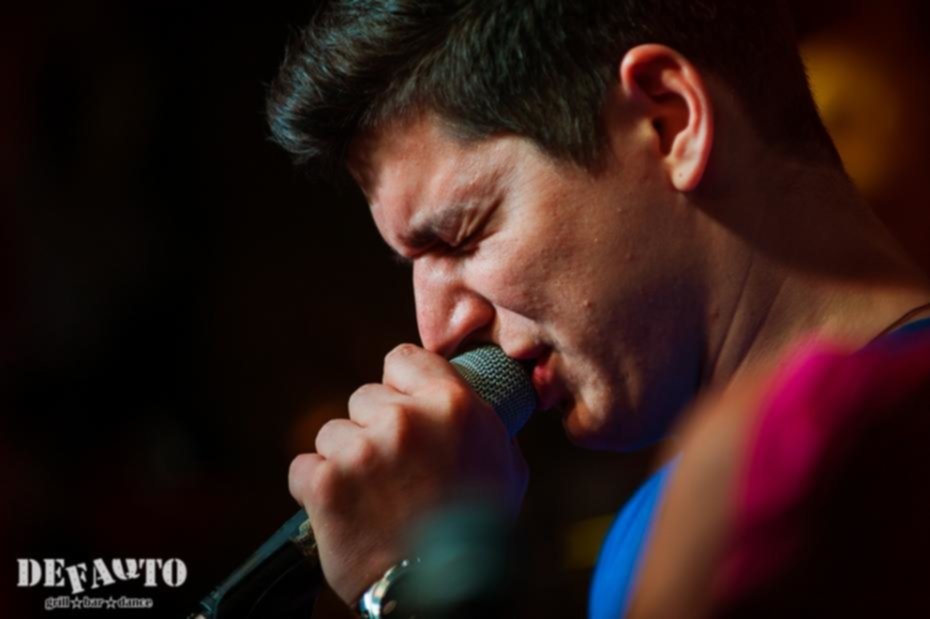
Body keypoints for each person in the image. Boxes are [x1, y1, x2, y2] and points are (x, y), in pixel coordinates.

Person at [266, 1, 930, 616]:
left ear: (667, 122)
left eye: (463, 234)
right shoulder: (684, 497)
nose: (437, 331)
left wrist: (412, 576)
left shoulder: (804, 455)